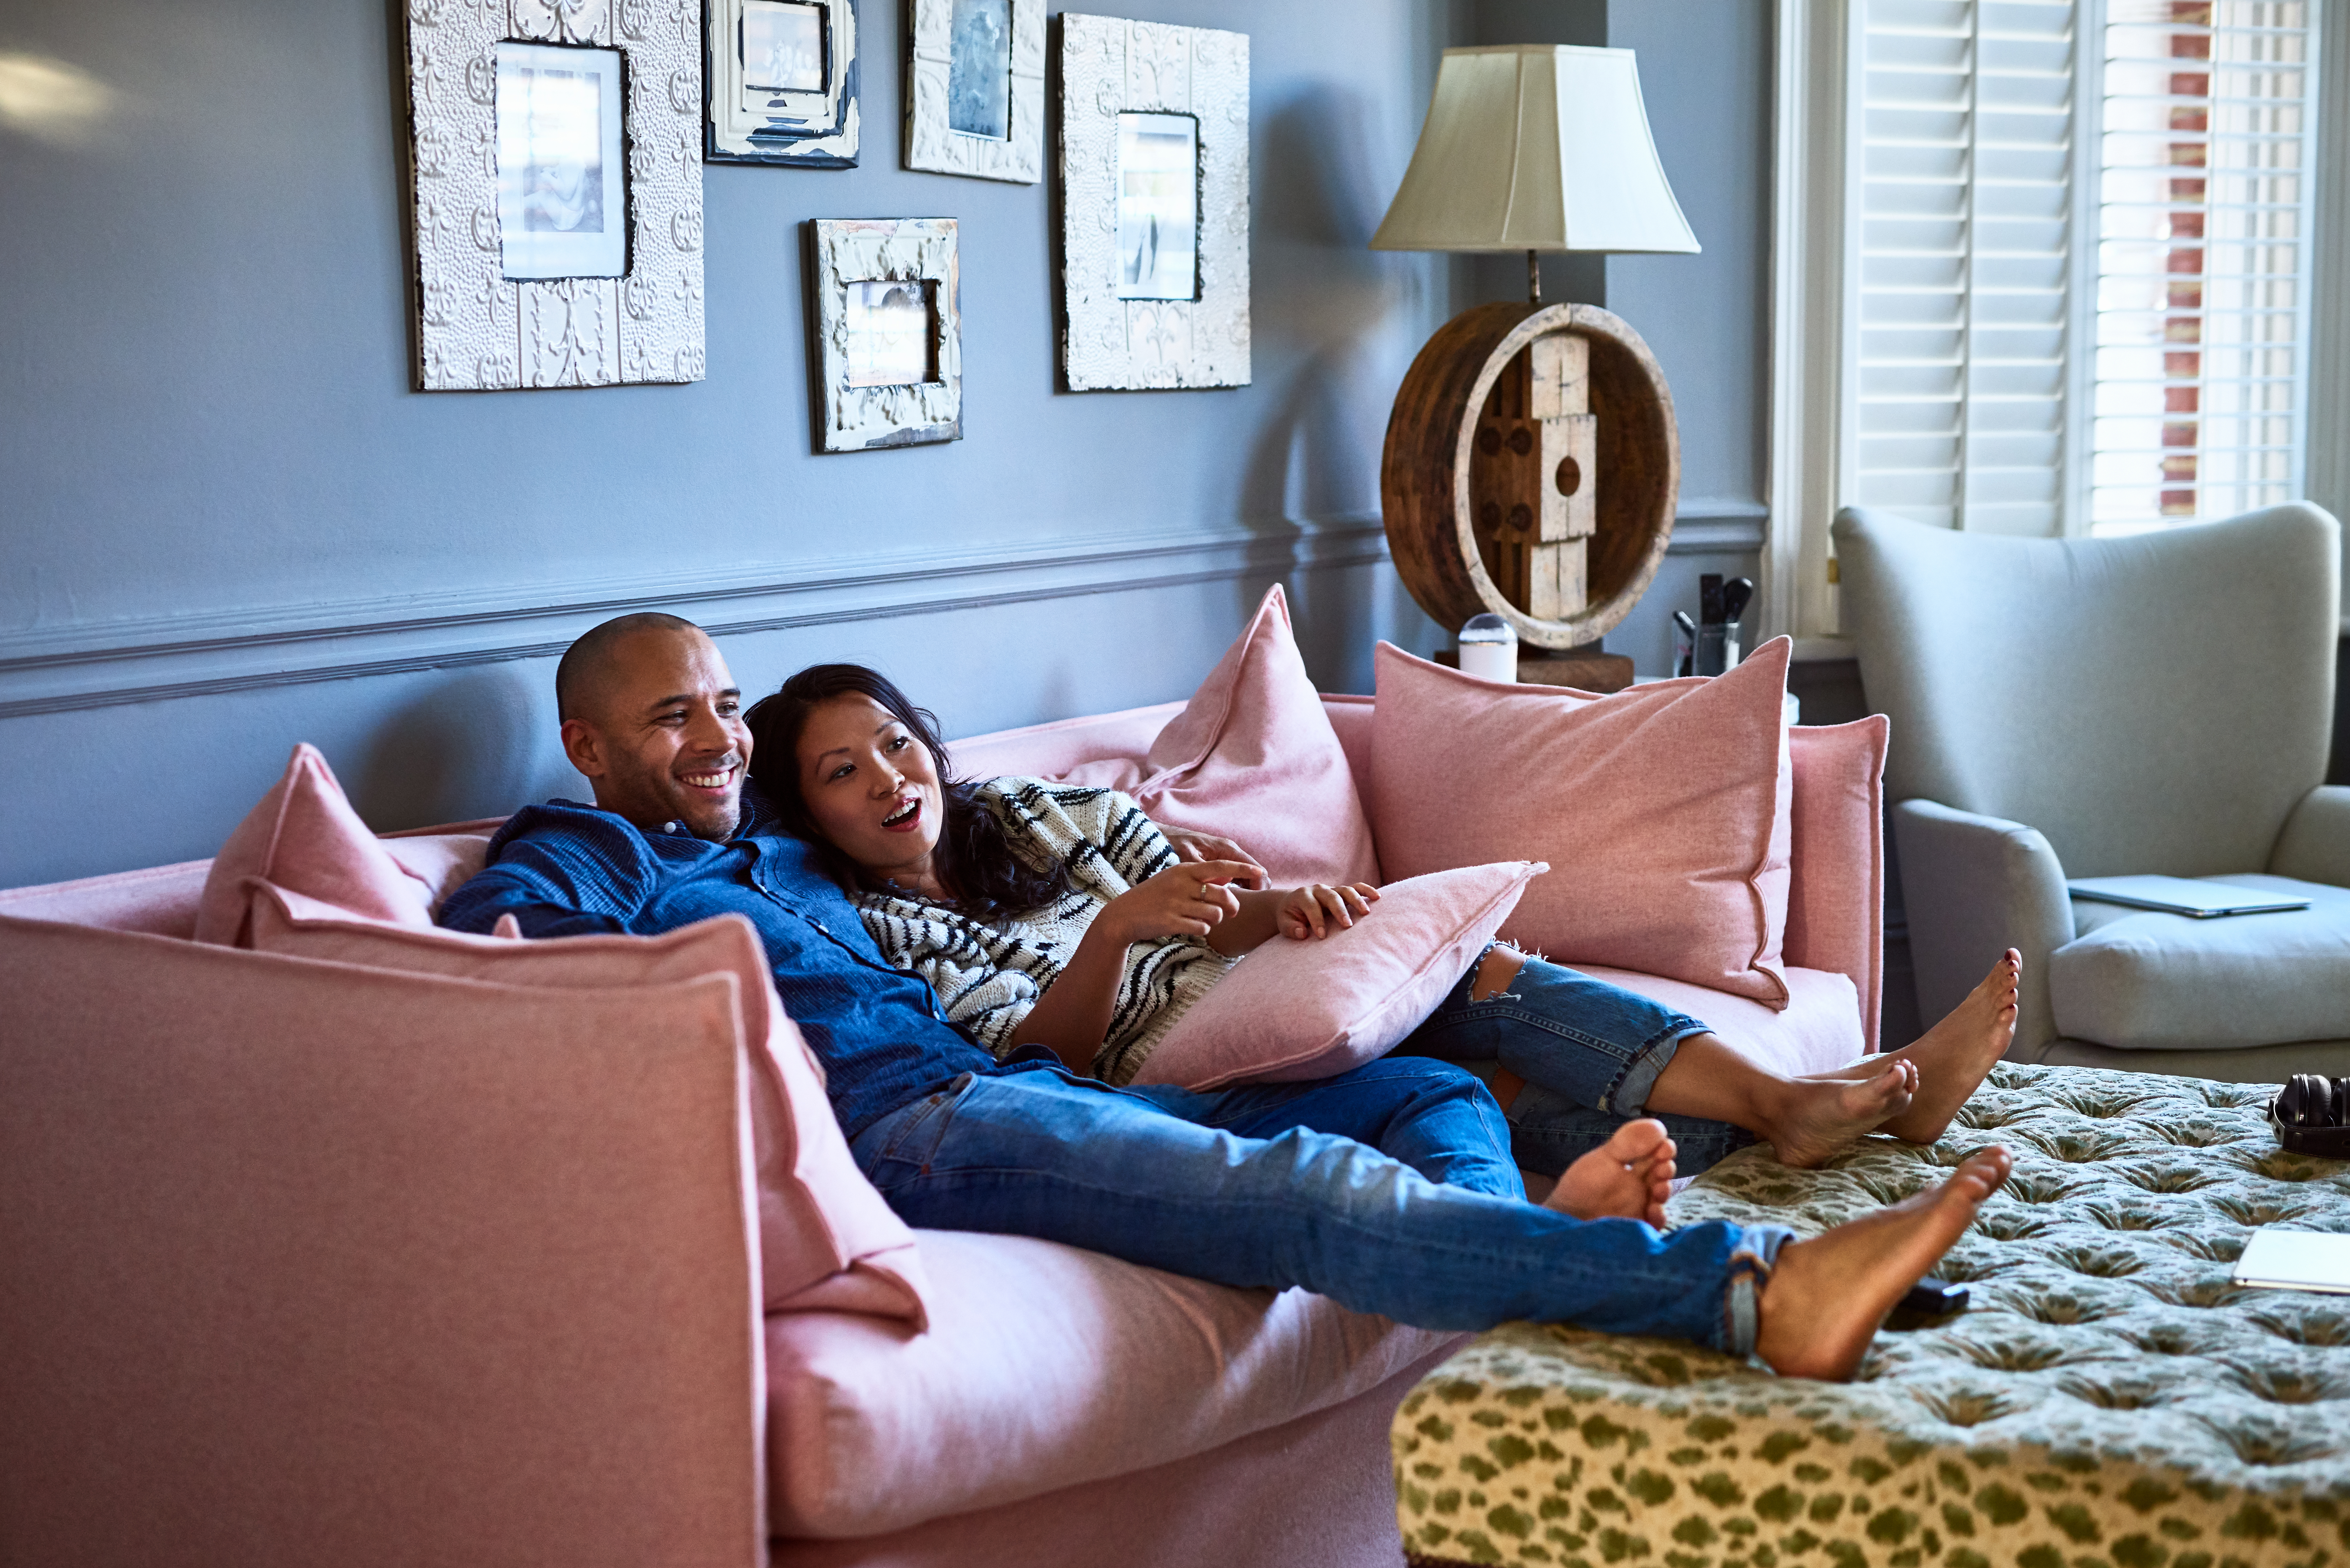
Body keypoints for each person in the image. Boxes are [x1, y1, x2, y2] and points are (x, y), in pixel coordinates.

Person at [438, 612, 2014, 1381]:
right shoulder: (590, 842)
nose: (712, 735)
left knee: (1419, 1093)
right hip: (914, 1127)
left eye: (722, 703)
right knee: (1306, 1186)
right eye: (670, 718)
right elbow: (496, 968)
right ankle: (1742, 1291)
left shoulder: (777, 846)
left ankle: (1544, 1284)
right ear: (590, 747)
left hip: (1027, 1096)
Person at [746, 661, 2024, 1181]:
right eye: (841, 773)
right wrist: (1114, 938)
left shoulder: (1025, 813)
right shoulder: (863, 929)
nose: (887, 780)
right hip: (1147, 1063)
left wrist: (1271, 912)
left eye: (895, 744)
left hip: (1230, 987)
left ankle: (1817, 1110)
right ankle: (1822, 1105)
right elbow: (1038, 1067)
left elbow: (1213, 914)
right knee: (1461, 1036)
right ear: (805, 810)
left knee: (1484, 1003)